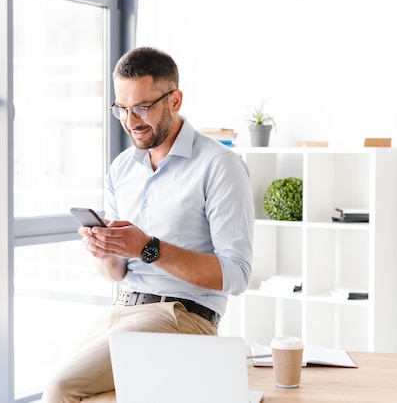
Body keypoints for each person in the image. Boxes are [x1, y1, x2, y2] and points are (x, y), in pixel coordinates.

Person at [42, 46, 254, 402]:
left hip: (182, 315)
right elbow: (116, 273)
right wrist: (104, 249)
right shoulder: (122, 168)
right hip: (123, 309)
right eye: (121, 109)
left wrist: (146, 247)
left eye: (142, 107)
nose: (130, 120)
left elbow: (236, 274)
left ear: (175, 100)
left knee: (62, 389)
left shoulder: (220, 165)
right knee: (68, 385)